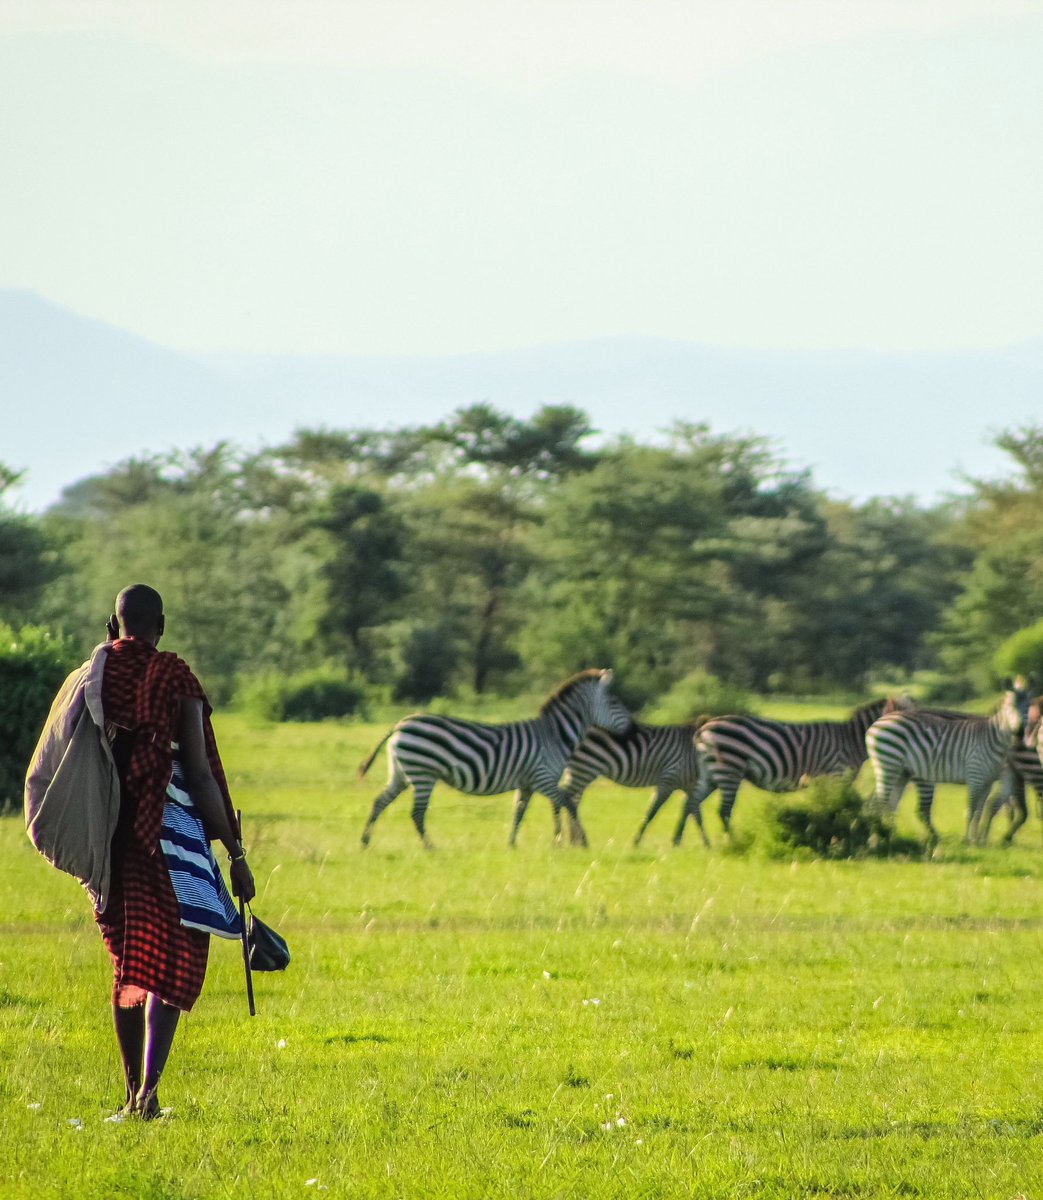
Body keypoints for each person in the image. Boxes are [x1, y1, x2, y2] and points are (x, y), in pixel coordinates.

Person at [97, 583, 254, 1118]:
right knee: (172, 955)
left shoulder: (93, 678)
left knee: (127, 959)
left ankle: (129, 1091)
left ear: (113, 624)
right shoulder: (175, 676)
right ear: (160, 623)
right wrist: (235, 853)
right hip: (170, 841)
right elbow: (202, 775)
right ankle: (149, 1095)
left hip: (110, 836)